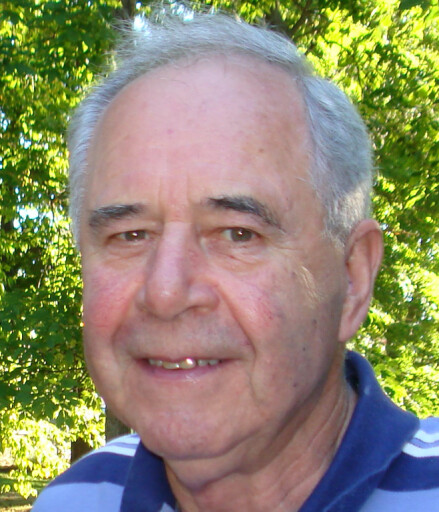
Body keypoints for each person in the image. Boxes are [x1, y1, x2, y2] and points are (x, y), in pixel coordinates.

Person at [32, 12, 439, 512]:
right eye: (130, 235)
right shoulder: (74, 501)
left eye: (237, 234)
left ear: (353, 277)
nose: (165, 292)